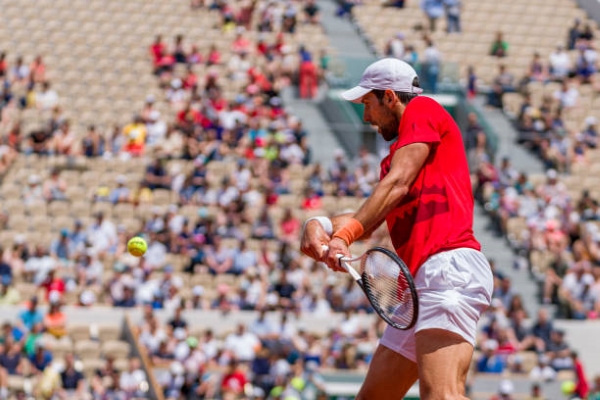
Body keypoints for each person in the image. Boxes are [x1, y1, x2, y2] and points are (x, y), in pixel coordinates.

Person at [300, 58, 493, 399]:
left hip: (446, 269)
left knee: (442, 394)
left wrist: (343, 238)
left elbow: (397, 185)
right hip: (421, 283)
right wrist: (321, 225)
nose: (366, 117)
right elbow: (369, 217)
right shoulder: (395, 161)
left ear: (390, 97)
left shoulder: (422, 109)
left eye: (367, 104)